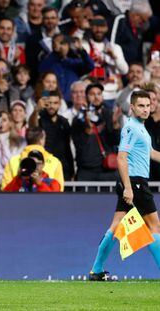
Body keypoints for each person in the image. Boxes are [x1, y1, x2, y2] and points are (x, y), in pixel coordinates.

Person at [89, 90, 160, 281]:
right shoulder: (131, 128)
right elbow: (121, 158)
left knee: (116, 226)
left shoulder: (141, 128)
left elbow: (151, 153)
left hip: (133, 182)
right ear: (133, 107)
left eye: (148, 105)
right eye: (141, 106)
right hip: (134, 182)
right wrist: (128, 187)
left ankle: (96, 269)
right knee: (154, 226)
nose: (146, 109)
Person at [72, 82, 121, 181]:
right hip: (86, 172)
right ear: (86, 97)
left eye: (99, 94)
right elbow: (78, 144)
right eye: (92, 94)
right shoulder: (79, 119)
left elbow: (116, 141)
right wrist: (87, 129)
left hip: (108, 170)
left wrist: (115, 125)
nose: (96, 97)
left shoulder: (109, 115)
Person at [29, 90, 74, 180]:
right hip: (45, 166)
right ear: (45, 103)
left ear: (60, 104)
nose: (52, 106)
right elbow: (33, 126)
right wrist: (36, 110)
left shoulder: (64, 122)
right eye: (49, 103)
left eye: (55, 103)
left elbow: (67, 146)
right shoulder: (40, 118)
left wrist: (72, 170)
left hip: (63, 167)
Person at [1, 127, 64, 191]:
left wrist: (39, 183)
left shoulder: (13, 161)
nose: (35, 166)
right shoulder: (55, 162)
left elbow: (56, 198)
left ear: (43, 164)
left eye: (38, 163)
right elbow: (6, 194)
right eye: (31, 163)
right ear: (41, 140)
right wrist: (19, 178)